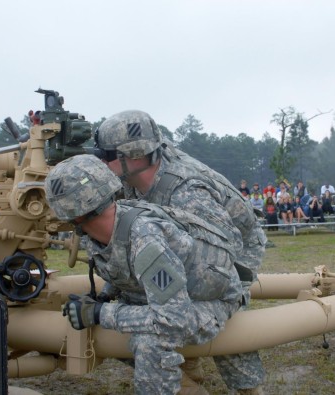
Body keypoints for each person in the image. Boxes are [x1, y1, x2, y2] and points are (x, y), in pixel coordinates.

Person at [96, 110, 266, 394]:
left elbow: (222, 257)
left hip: (234, 251)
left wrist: (222, 301)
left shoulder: (187, 192)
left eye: (108, 155)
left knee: (216, 307)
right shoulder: (133, 177)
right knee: (162, 296)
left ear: (134, 156)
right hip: (191, 244)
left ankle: (248, 387)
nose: (103, 162)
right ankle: (189, 371)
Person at [44, 155, 243, 395]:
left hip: (210, 301)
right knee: (128, 329)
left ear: (72, 215)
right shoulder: (103, 229)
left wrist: (100, 313)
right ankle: (187, 384)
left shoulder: (145, 238)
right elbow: (122, 266)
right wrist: (104, 298)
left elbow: (172, 319)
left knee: (149, 343)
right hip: (180, 299)